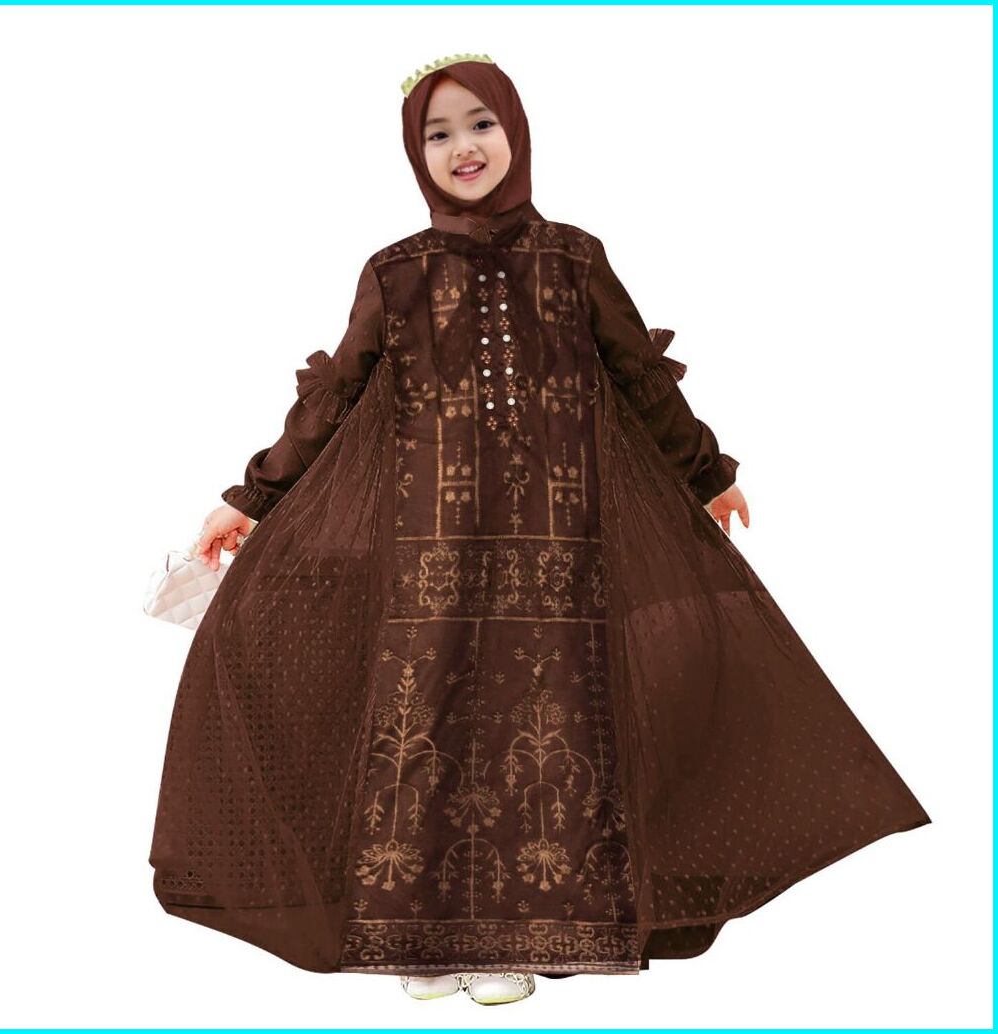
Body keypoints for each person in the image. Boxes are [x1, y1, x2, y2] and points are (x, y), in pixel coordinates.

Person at [150, 54, 931, 1008]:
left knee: (545, 730)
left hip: (559, 548)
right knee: (424, 725)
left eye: (480, 123)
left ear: (516, 131)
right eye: (437, 133)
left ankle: (515, 939)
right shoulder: (396, 273)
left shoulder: (574, 260)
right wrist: (253, 496)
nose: (462, 147)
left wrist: (707, 474)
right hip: (427, 552)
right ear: (412, 152)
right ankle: (419, 937)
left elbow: (638, 374)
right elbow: (334, 397)